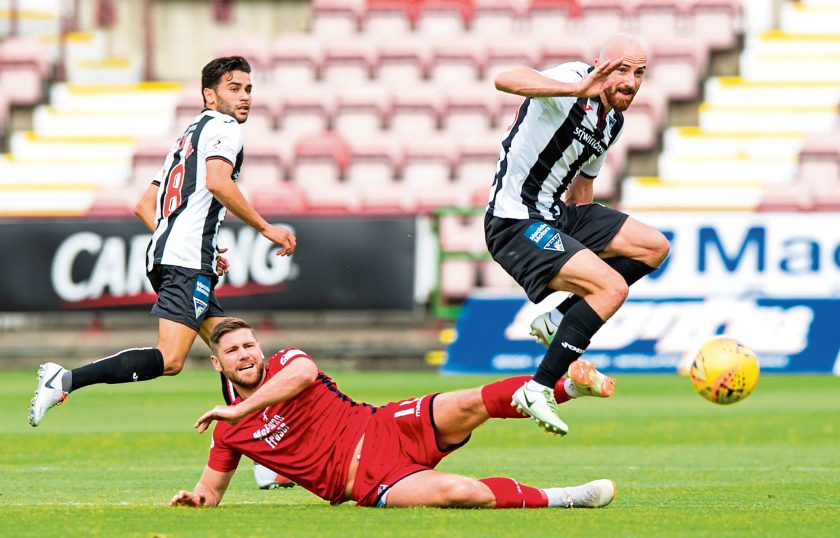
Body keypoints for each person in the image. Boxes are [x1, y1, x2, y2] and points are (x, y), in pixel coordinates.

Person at [29, 56, 297, 430]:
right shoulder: (224, 127)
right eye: (234, 89)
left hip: (173, 254)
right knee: (171, 359)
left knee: (233, 345)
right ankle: (65, 380)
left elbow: (144, 206)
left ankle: (266, 448)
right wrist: (265, 228)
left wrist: (195, 245)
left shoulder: (188, 136)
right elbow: (219, 182)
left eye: (248, 89)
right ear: (209, 95)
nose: (244, 97)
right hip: (185, 259)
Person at [168, 317, 618, 510]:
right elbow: (210, 490)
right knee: (460, 492)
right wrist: (196, 501)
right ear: (217, 362)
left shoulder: (286, 361)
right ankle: (566, 497)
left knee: (469, 402)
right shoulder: (227, 433)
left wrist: (241, 408)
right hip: (369, 482)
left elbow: (304, 374)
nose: (245, 354)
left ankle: (567, 385)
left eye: (249, 345)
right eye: (233, 350)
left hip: (384, 424)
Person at [484, 33, 670, 435]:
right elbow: (505, 78)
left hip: (560, 214)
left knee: (654, 247)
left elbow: (583, 188)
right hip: (514, 220)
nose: (632, 81)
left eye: (639, 73)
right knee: (612, 290)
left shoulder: (613, 122)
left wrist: (587, 252)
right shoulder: (571, 79)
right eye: (622, 69)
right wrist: (575, 88)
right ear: (598, 65)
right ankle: (538, 388)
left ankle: (557, 319)